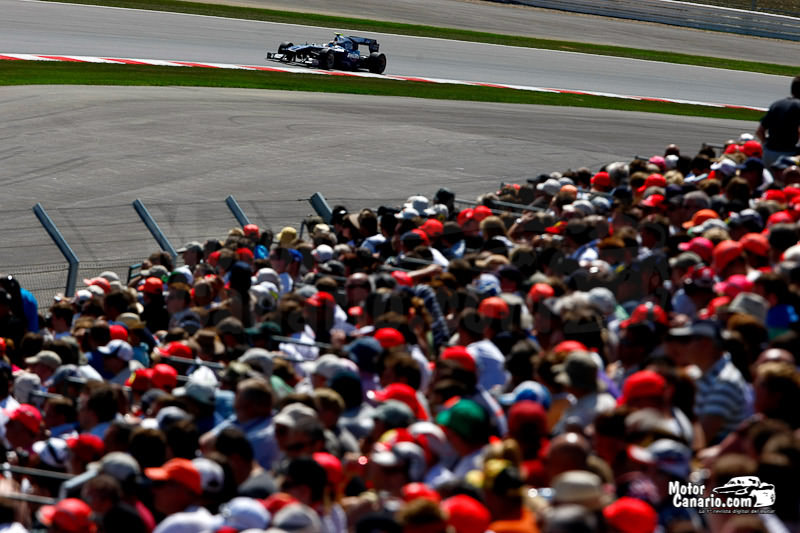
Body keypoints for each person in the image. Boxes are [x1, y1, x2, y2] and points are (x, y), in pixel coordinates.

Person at [756, 76, 800, 167]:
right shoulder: (798, 106)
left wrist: (766, 145)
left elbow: (759, 131)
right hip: (788, 155)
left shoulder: (776, 104)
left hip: (768, 153)